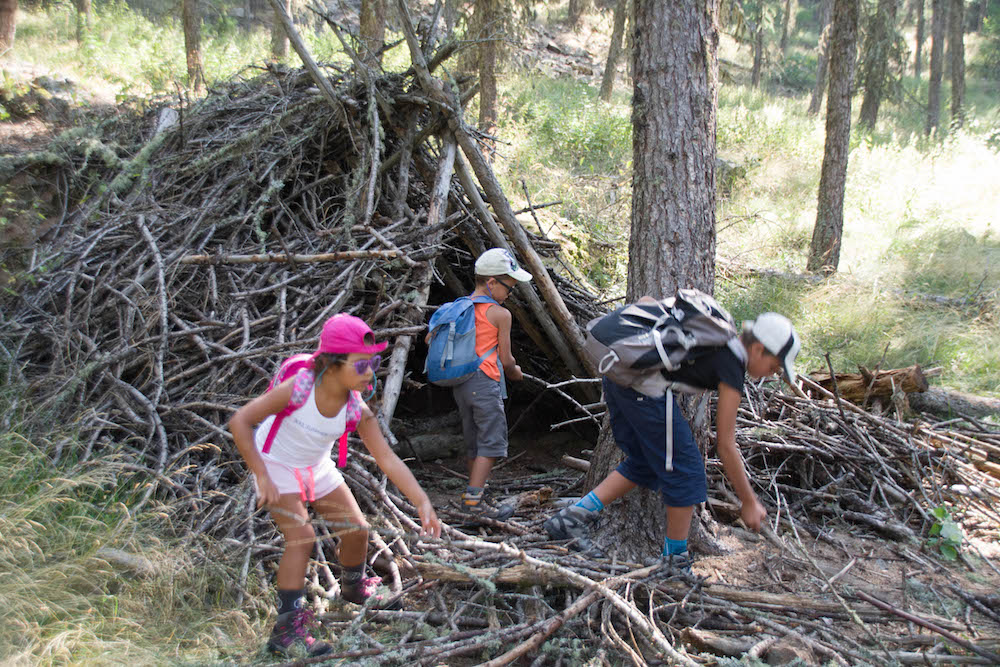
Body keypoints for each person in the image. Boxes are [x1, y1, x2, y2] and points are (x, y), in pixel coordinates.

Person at [229, 314, 441, 657]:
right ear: (330, 362)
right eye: (361, 365)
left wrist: (422, 501)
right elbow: (240, 421)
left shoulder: (355, 408)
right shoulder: (298, 389)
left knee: (356, 530)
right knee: (301, 538)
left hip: (315, 466)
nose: (371, 372)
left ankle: (354, 588)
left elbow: (387, 459)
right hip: (276, 465)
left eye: (374, 363)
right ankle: (285, 631)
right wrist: (261, 475)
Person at [544, 304, 800, 570]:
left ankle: (571, 519)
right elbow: (725, 444)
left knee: (644, 462)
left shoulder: (718, 340)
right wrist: (748, 501)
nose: (773, 373)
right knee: (687, 472)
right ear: (758, 349)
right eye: (775, 366)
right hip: (643, 389)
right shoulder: (732, 362)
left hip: (621, 376)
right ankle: (675, 565)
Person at [431, 248, 532, 520]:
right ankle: (473, 502)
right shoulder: (500, 314)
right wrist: (515, 373)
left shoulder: (458, 308)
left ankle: (475, 491)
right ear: (491, 283)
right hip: (484, 381)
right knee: (491, 440)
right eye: (509, 288)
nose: (510, 294)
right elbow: (506, 359)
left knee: (474, 439)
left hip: (461, 384)